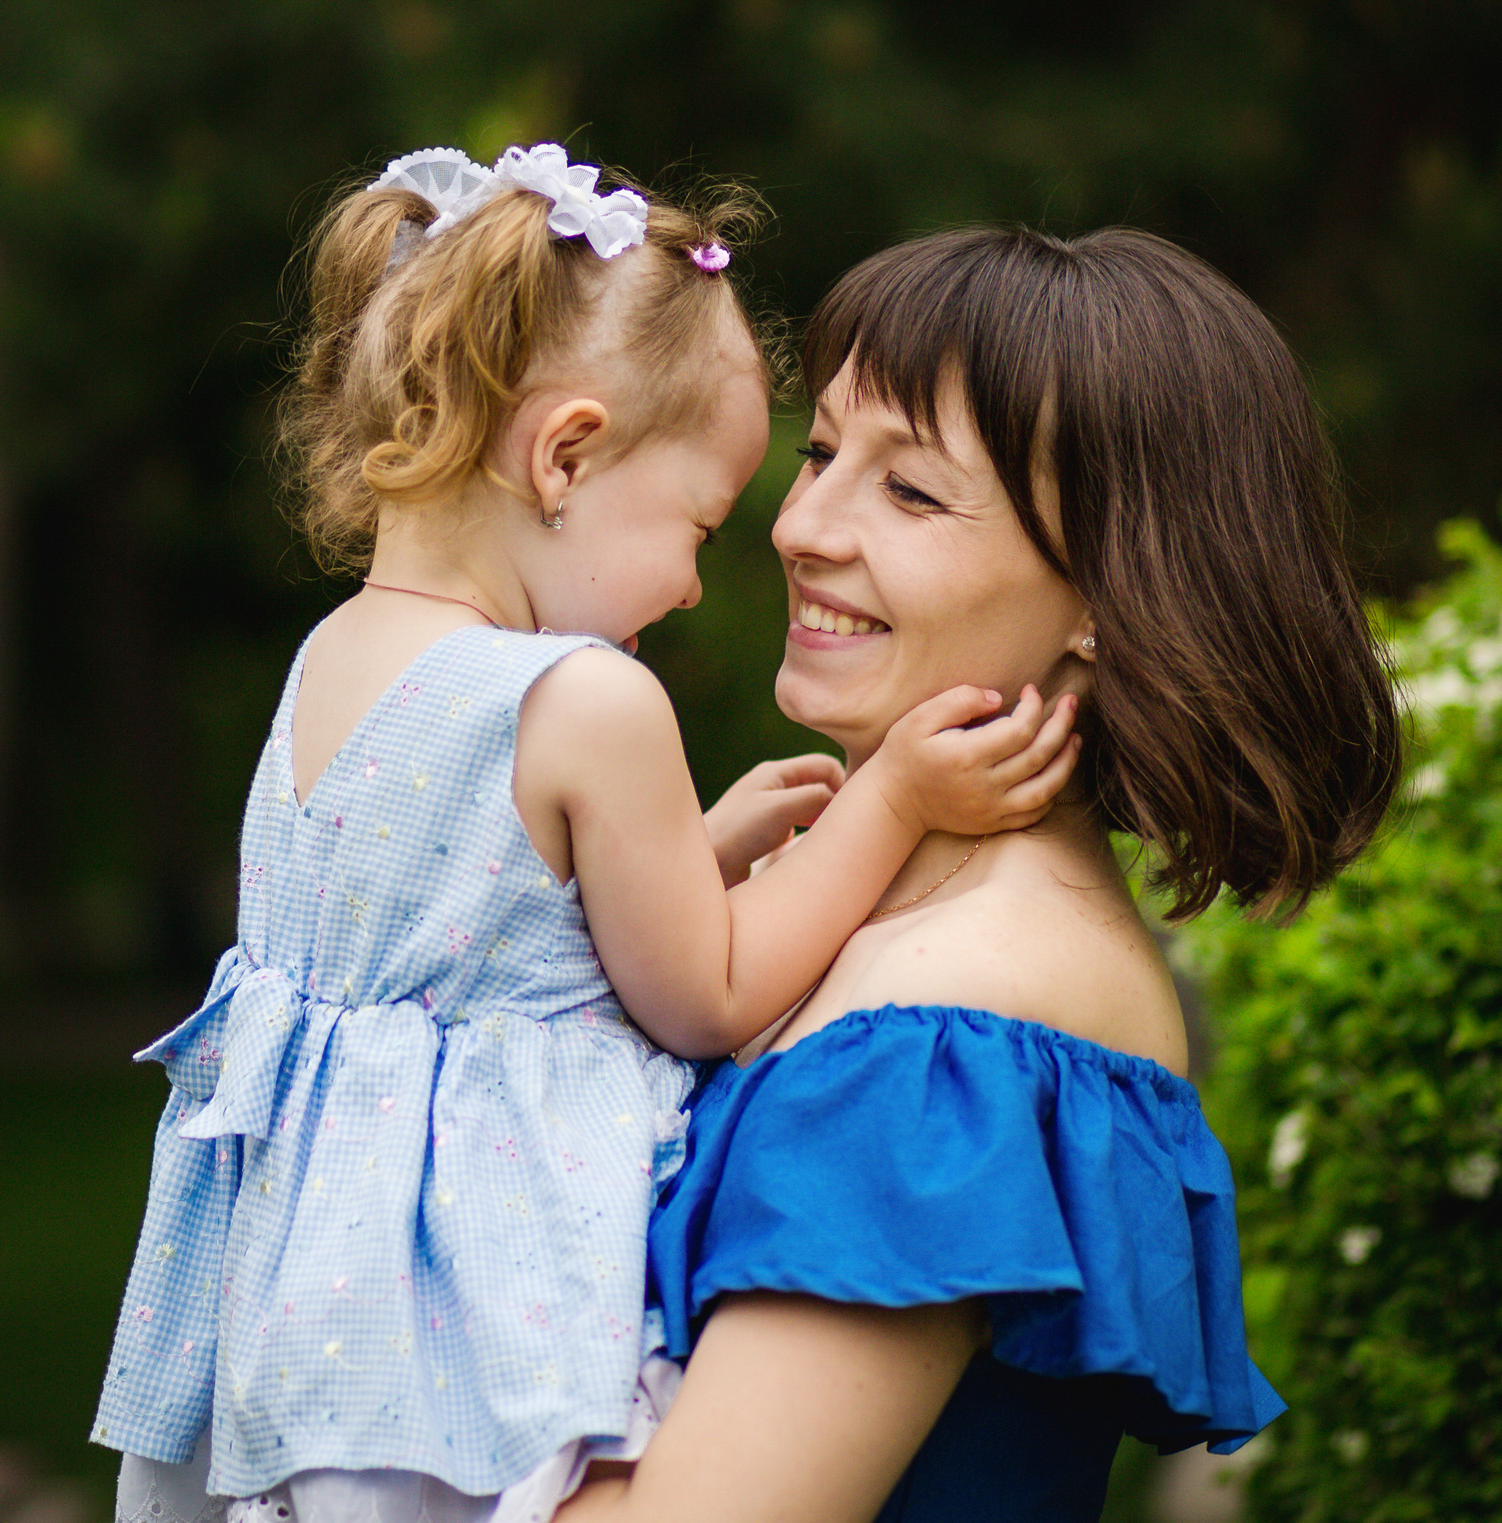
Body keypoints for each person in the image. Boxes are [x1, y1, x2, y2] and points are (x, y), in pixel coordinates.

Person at [91, 147, 1080, 1523]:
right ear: (565, 456)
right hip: (455, 1339)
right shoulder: (585, 698)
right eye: (696, 527)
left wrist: (697, 850)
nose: (692, 587)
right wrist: (894, 802)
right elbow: (708, 995)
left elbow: (473, 923)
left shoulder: (331, 659)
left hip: (300, 1319)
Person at [557, 225, 1405, 1523]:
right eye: (821, 453)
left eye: (911, 492)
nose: (799, 526)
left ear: (1107, 594)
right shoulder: (841, 907)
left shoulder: (959, 1029)